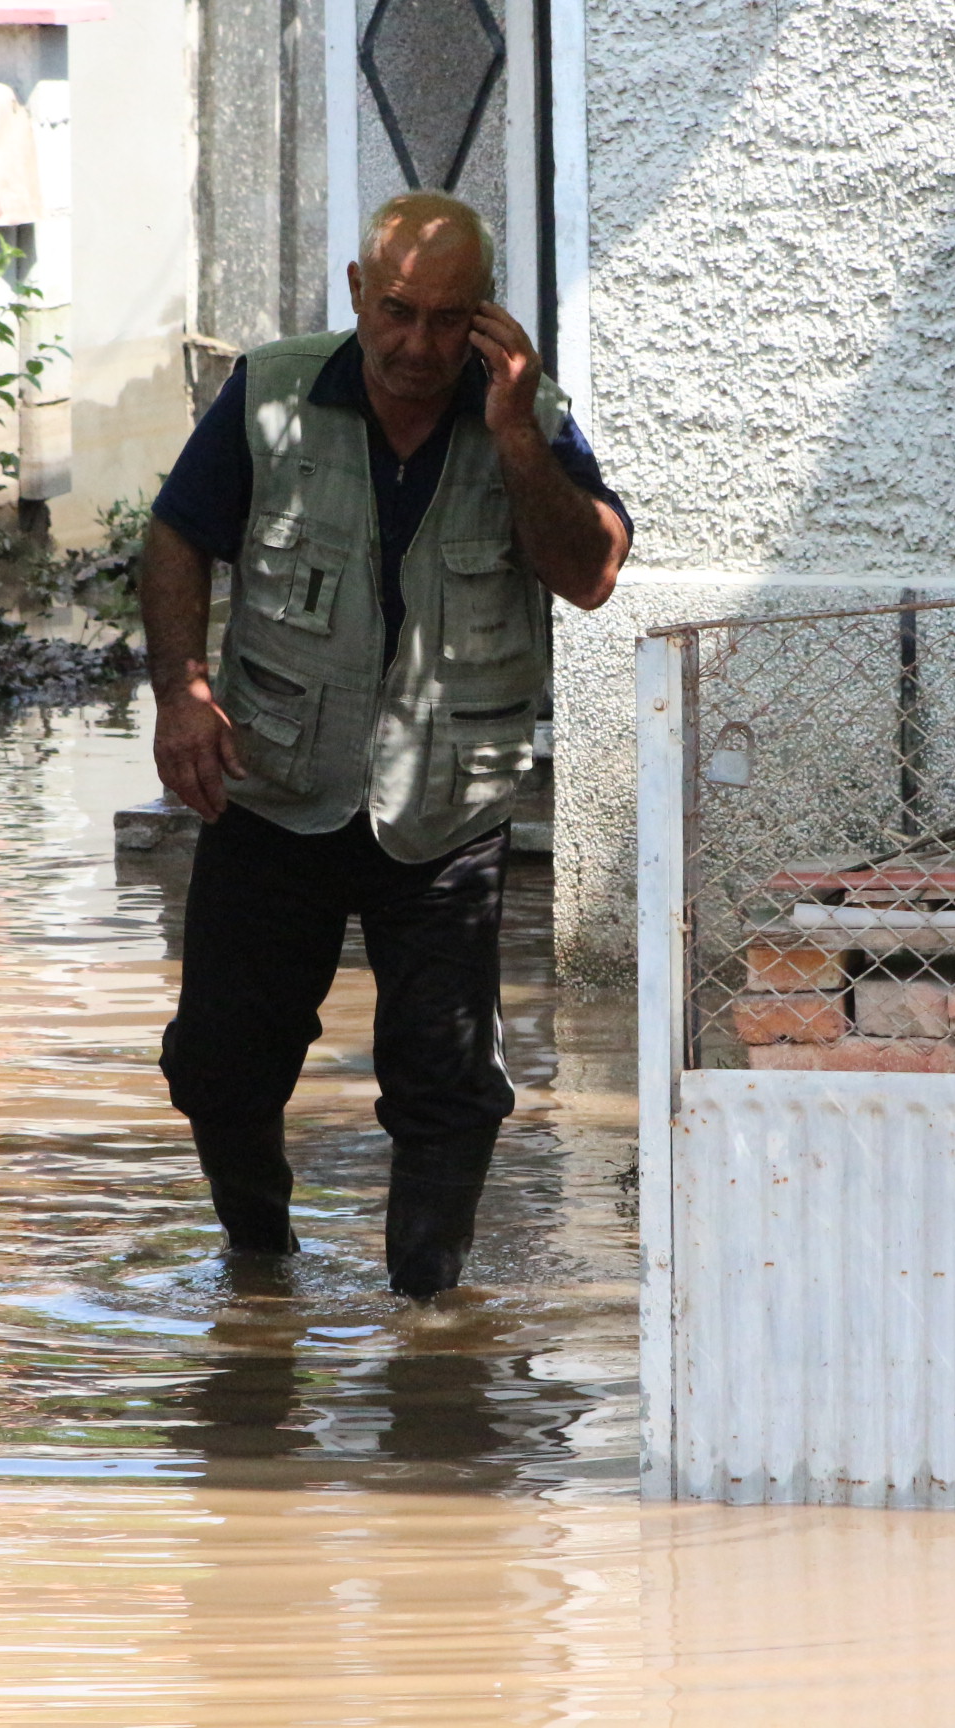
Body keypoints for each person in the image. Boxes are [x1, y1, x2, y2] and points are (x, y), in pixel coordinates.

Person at [142, 190, 631, 1300]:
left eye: (449, 319)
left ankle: (427, 1314)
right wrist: (182, 690)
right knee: (220, 1063)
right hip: (274, 782)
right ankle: (259, 1268)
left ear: (486, 321)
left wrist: (515, 438)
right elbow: (178, 532)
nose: (418, 344)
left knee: (448, 1082)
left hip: (446, 806)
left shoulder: (527, 414)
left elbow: (592, 576)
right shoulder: (270, 390)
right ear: (360, 292)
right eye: (398, 310)